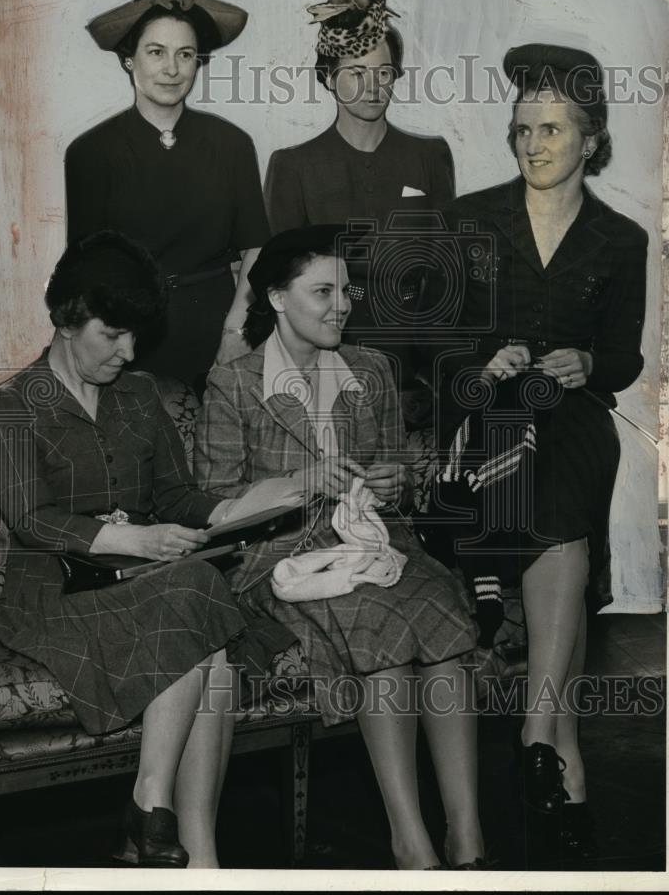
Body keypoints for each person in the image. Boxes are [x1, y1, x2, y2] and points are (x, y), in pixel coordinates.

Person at [0, 231, 295, 868]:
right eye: (111, 334)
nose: (126, 351)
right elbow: (29, 518)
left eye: (134, 336)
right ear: (67, 318)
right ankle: (161, 814)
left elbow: (177, 496)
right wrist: (135, 538)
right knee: (203, 614)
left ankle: (172, 842)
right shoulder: (10, 407)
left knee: (199, 612)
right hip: (54, 595)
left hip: (143, 587)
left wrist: (239, 508)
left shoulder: (142, 395)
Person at [194, 226, 489, 871]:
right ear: (275, 297)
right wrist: (298, 485)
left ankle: (467, 836)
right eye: (322, 291)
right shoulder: (235, 384)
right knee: (382, 625)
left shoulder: (371, 369)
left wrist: (396, 480)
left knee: (443, 619)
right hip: (278, 559)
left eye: (346, 291)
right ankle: (411, 840)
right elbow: (216, 508)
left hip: (374, 543)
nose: (342, 305)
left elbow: (397, 491)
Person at [418, 44, 649, 860]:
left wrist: (588, 363)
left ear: (592, 139)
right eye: (522, 129)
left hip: (576, 415)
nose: (534, 145)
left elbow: (624, 360)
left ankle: (540, 738)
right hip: (490, 421)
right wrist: (483, 363)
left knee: (566, 492)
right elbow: (429, 349)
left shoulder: (621, 240)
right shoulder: (467, 222)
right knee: (566, 529)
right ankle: (554, 744)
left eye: (553, 129)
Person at [65, 0, 271, 392]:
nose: (172, 69)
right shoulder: (91, 151)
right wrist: (112, 342)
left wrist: (234, 332)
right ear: (130, 59)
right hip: (128, 332)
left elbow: (256, 248)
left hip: (216, 328)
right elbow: (87, 268)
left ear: (198, 63)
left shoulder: (232, 144)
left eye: (185, 54)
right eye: (156, 52)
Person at [264, 0, 455, 410]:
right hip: (324, 353)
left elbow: (445, 268)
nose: (373, 86)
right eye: (356, 72)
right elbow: (284, 282)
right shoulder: (293, 166)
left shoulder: (429, 155)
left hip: (412, 360)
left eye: (383, 73)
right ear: (329, 77)